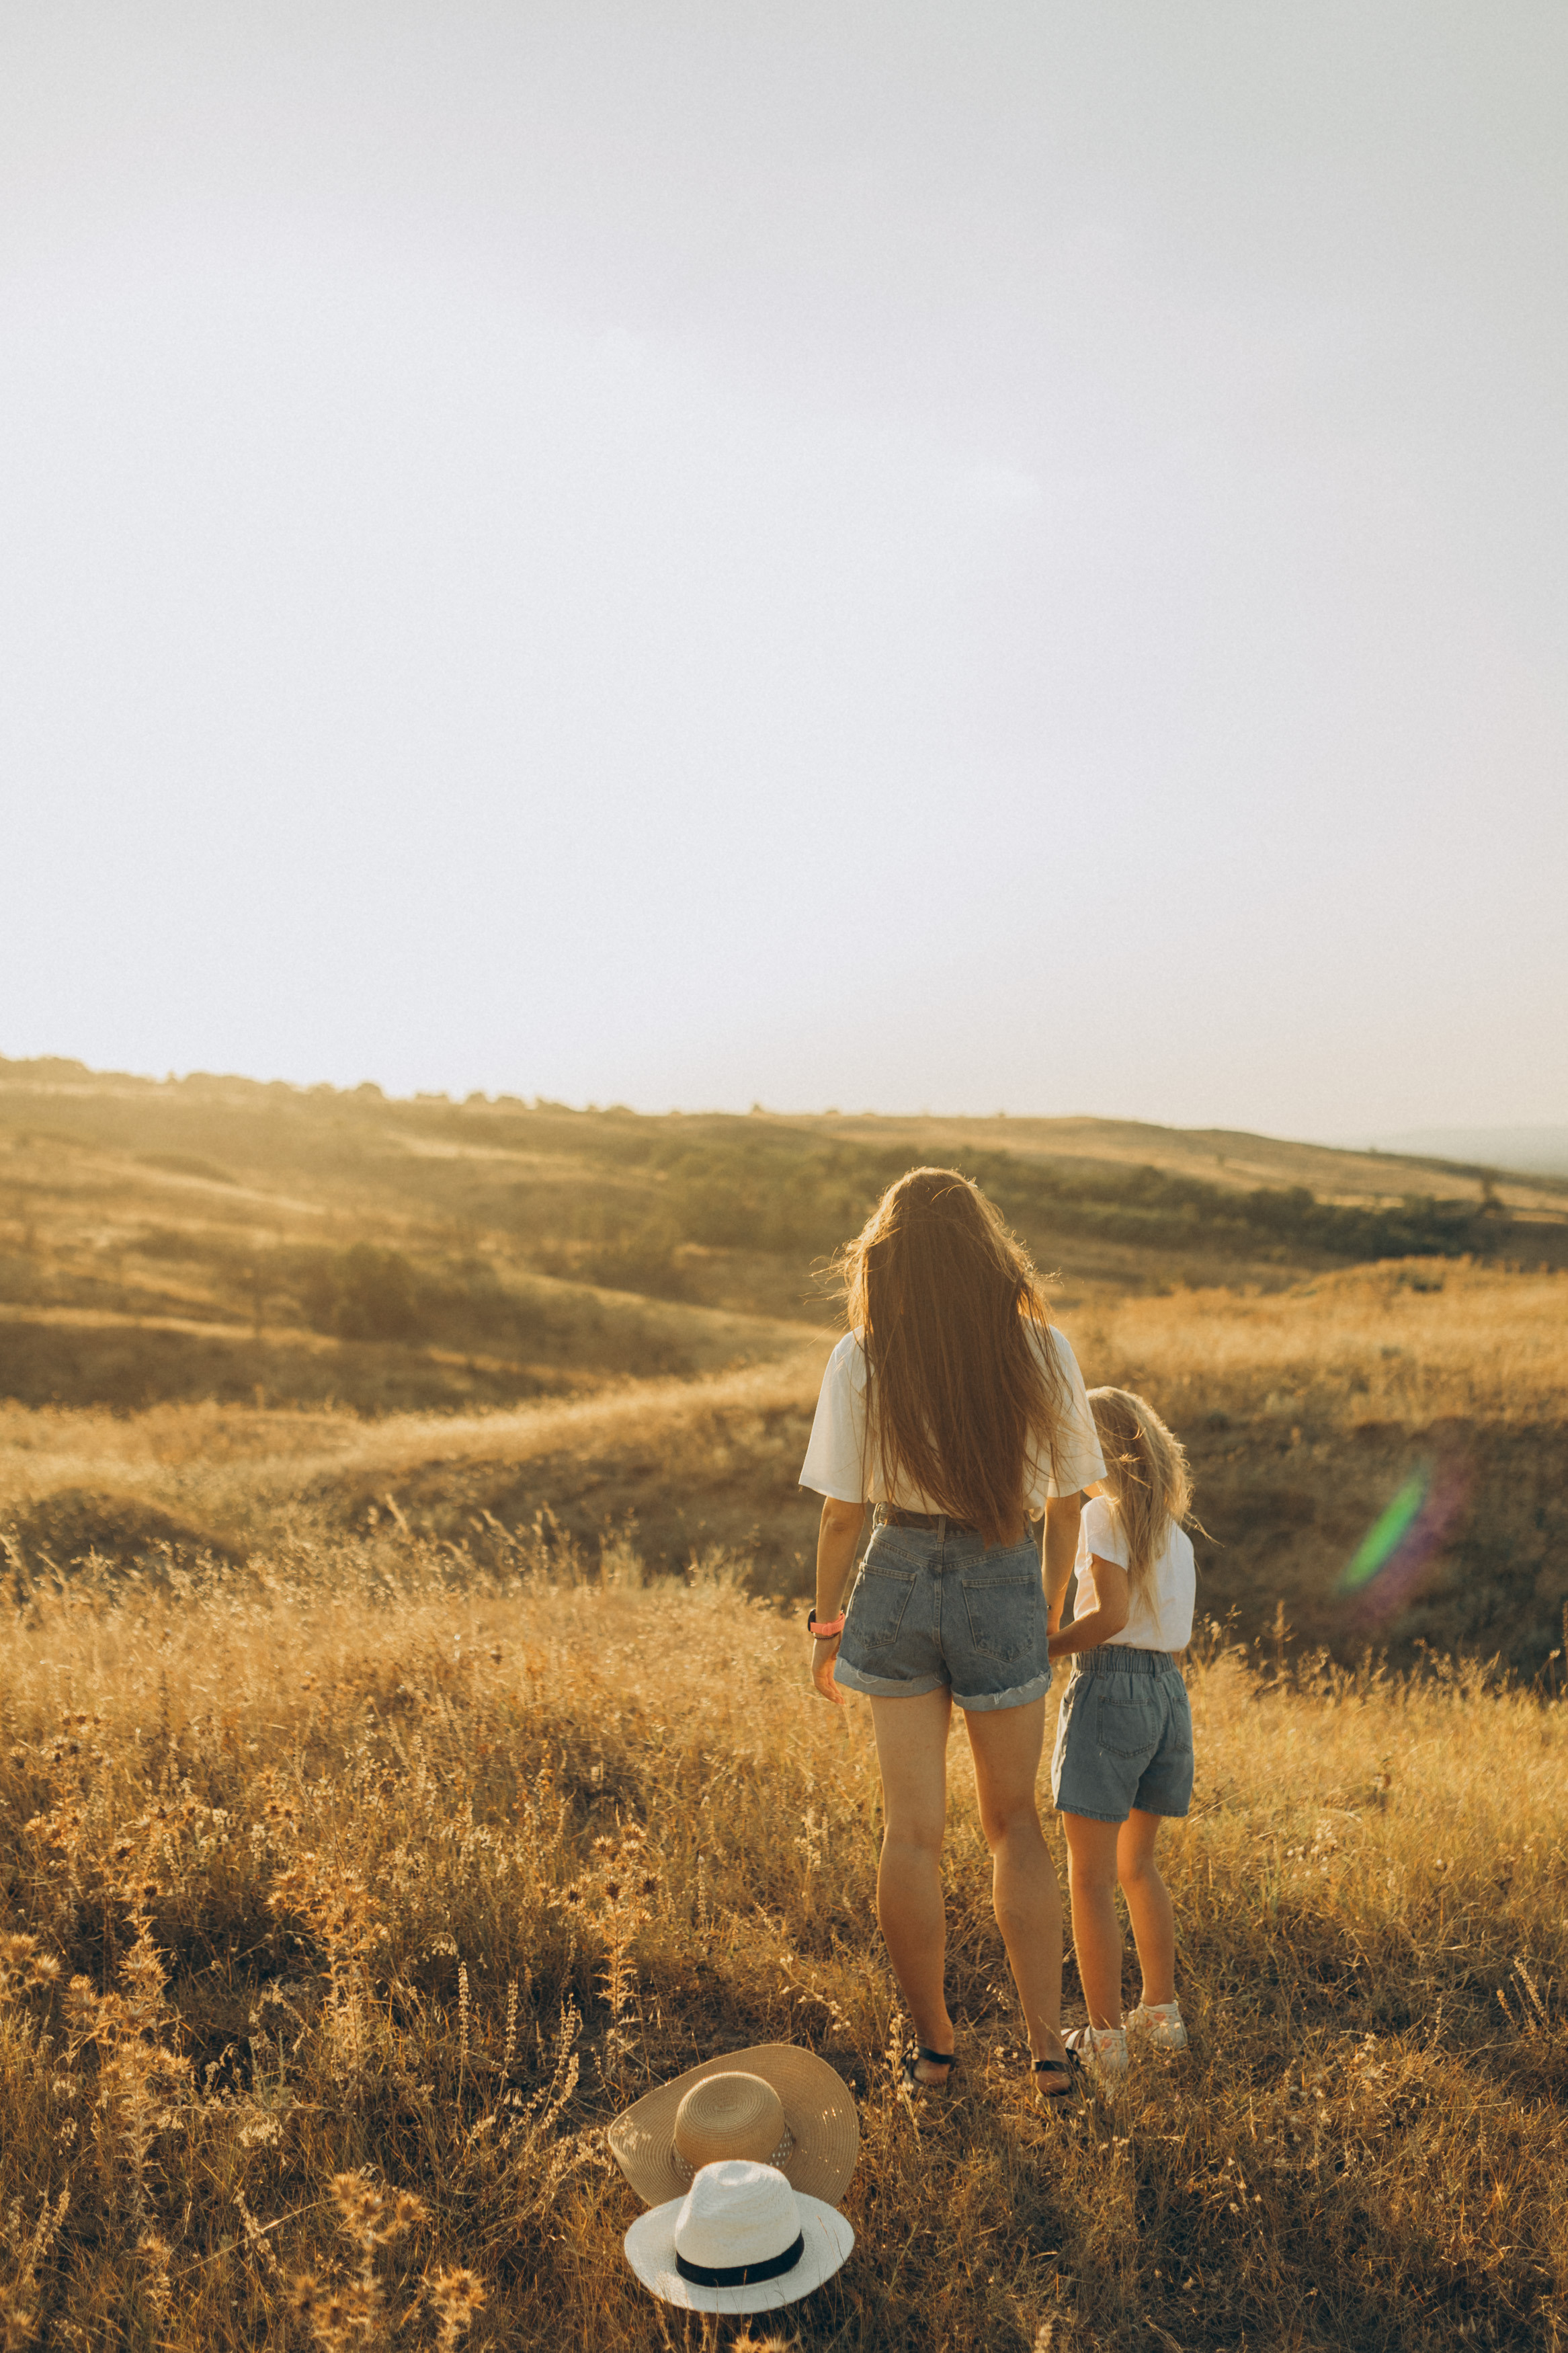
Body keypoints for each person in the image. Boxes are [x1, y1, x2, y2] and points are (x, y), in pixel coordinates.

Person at [800, 1167, 1106, 2106]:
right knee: (1014, 1825)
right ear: (987, 1250)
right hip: (1002, 1572)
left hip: (893, 1574)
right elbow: (1067, 1499)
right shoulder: (1042, 1350)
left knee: (912, 1833)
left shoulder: (865, 1354)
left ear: (885, 1259)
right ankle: (1049, 2058)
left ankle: (934, 2055)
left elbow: (843, 1516)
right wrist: (1044, 1607)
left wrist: (823, 1627)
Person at [1048, 1387, 1197, 2083]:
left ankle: (1103, 2040)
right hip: (1167, 1694)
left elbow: (1106, 1616)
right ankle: (1159, 2014)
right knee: (1138, 1865)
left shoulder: (1100, 1515)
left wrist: (1044, 1647)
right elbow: (1166, 1635)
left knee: (1088, 1875)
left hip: (1111, 1687)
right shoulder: (1174, 1535)